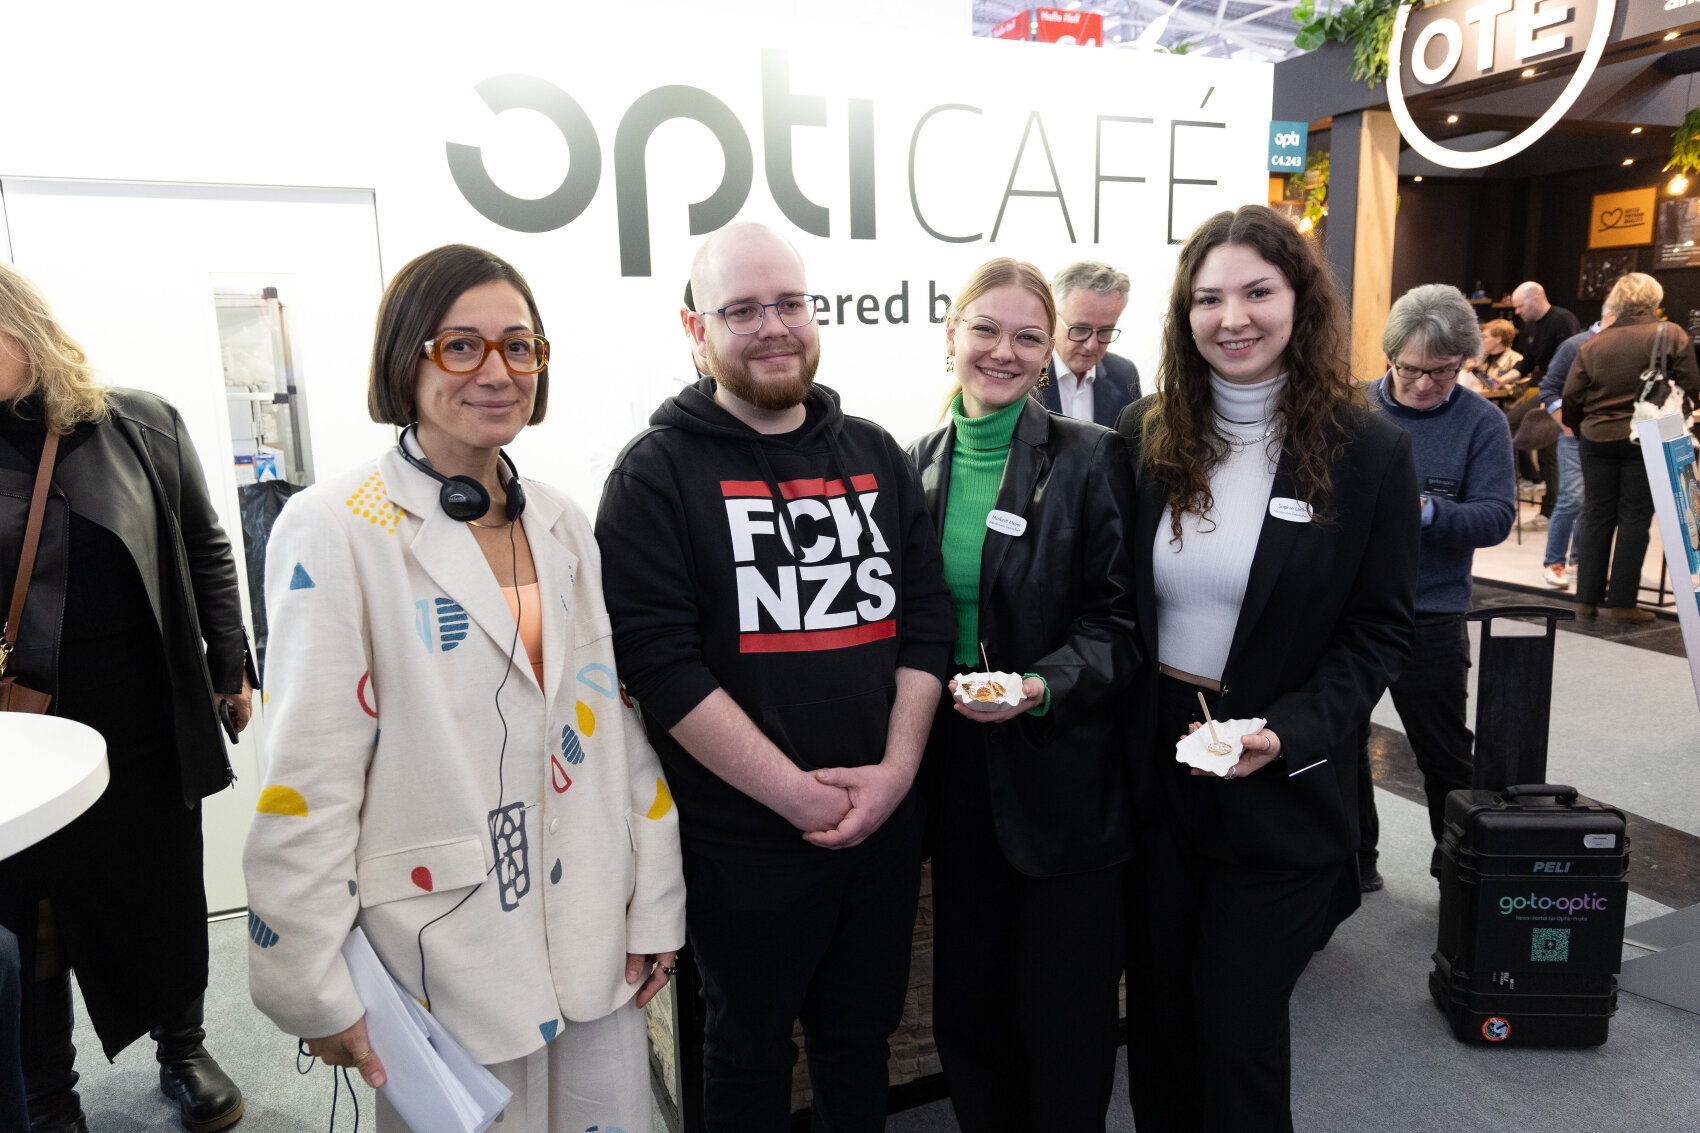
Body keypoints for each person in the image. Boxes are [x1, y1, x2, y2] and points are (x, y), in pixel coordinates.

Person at [243, 244, 685, 1132]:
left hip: (592, 917)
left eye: (520, 347)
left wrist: (657, 897)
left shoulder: (560, 518)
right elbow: (309, 770)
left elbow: (613, 720)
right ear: (406, 358)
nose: (498, 370)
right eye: (462, 346)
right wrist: (309, 976)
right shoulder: (335, 528)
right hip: (444, 942)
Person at [596, 222, 955, 1133]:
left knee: (858, 1039)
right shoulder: (654, 475)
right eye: (741, 309)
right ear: (694, 328)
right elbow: (659, 665)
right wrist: (795, 796)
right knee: (747, 1052)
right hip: (741, 845)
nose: (772, 326)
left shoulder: (875, 453)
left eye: (788, 303)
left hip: (880, 825)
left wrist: (897, 775)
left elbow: (925, 622)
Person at [1116, 204, 1419, 1132]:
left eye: (1257, 291)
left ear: (1300, 300)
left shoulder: (1366, 449)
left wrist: (1284, 728)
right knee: (1161, 1017)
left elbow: (1377, 630)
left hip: (1279, 775)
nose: (1232, 317)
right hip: (1156, 770)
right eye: (1208, 298)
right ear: (1184, 313)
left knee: (1234, 1019)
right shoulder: (1144, 430)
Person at [0, 260, 256, 1133]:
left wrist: (231, 660)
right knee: (34, 913)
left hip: (146, 710)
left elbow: (204, 543)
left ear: (23, 328)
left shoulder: (140, 421)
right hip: (25, 731)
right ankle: (47, 1092)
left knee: (163, 887)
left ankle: (182, 1047)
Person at [907, 258, 1139, 1132]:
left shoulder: (1091, 459)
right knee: (969, 1004)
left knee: (1064, 1012)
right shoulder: (911, 465)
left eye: (1027, 337)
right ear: (952, 334)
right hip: (954, 767)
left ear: (1049, 354)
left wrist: (1040, 687)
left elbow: (1122, 627)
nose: (1003, 351)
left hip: (1061, 765)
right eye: (986, 330)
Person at [1357, 284, 1515, 891]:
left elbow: (1496, 517)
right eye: (1412, 370)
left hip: (1431, 612)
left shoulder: (1481, 422)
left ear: (1464, 364)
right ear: (1390, 356)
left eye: (1443, 373)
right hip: (1351, 611)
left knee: (1444, 752)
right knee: (1339, 740)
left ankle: (1457, 872)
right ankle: (1355, 859)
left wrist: (1424, 511)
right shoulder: (1351, 410)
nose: (1424, 385)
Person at [1562, 272, 1700, 623]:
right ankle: (1622, 603)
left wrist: (1582, 427)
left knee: (1596, 516)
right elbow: (1691, 385)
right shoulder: (1670, 334)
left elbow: (1571, 396)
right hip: (1646, 437)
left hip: (1595, 436)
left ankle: (1585, 601)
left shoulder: (1594, 343)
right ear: (1654, 299)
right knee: (1635, 517)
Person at [1535, 307, 1618, 589]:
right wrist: (1565, 424)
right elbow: (1548, 389)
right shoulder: (1574, 345)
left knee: (1593, 499)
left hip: (1604, 435)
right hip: (1575, 436)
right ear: (1611, 316)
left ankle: (1578, 560)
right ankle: (1554, 561)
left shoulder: (1619, 345)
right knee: (1573, 497)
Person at [1039, 260, 1141, 426]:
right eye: (1080, 329)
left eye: (1105, 331)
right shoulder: (1027, 373)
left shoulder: (1125, 375)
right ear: (1053, 317)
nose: (1092, 345)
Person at [1510, 282, 1579, 523]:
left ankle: (1531, 477)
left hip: (1557, 391)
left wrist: (1551, 400)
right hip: (1542, 389)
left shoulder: (1563, 320)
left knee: (1508, 423)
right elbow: (1526, 363)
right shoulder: (1530, 326)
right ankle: (1548, 507)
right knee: (1548, 450)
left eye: (1520, 306)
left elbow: (1573, 362)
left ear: (1536, 298)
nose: (1517, 312)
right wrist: (1499, 380)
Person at [1460, 318, 1521, 391]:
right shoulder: (1479, 359)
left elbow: (1517, 392)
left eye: (1484, 337)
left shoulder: (1516, 360)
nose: (1480, 340)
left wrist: (1479, 374)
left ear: (1498, 339)